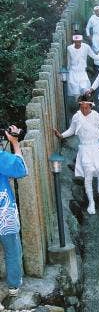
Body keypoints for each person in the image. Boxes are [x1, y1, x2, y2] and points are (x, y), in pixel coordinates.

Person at [54, 96, 99, 215]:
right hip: (84, 149)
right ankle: (92, 203)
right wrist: (61, 135)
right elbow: (72, 130)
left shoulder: (97, 116)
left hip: (97, 147)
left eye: (86, 108)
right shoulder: (76, 117)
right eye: (82, 108)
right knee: (89, 173)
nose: (84, 110)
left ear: (91, 106)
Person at [0, 126, 28, 299]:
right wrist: (15, 142)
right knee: (12, 250)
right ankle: (13, 285)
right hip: (3, 214)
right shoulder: (1, 158)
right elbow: (20, 169)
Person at [66, 34, 99, 98]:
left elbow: (93, 56)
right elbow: (69, 61)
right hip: (73, 72)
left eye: (79, 41)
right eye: (76, 41)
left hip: (82, 72)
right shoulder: (69, 48)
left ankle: (86, 104)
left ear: (81, 40)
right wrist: (67, 72)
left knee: (85, 89)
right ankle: (78, 105)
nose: (77, 43)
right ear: (74, 41)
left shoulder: (86, 47)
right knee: (76, 92)